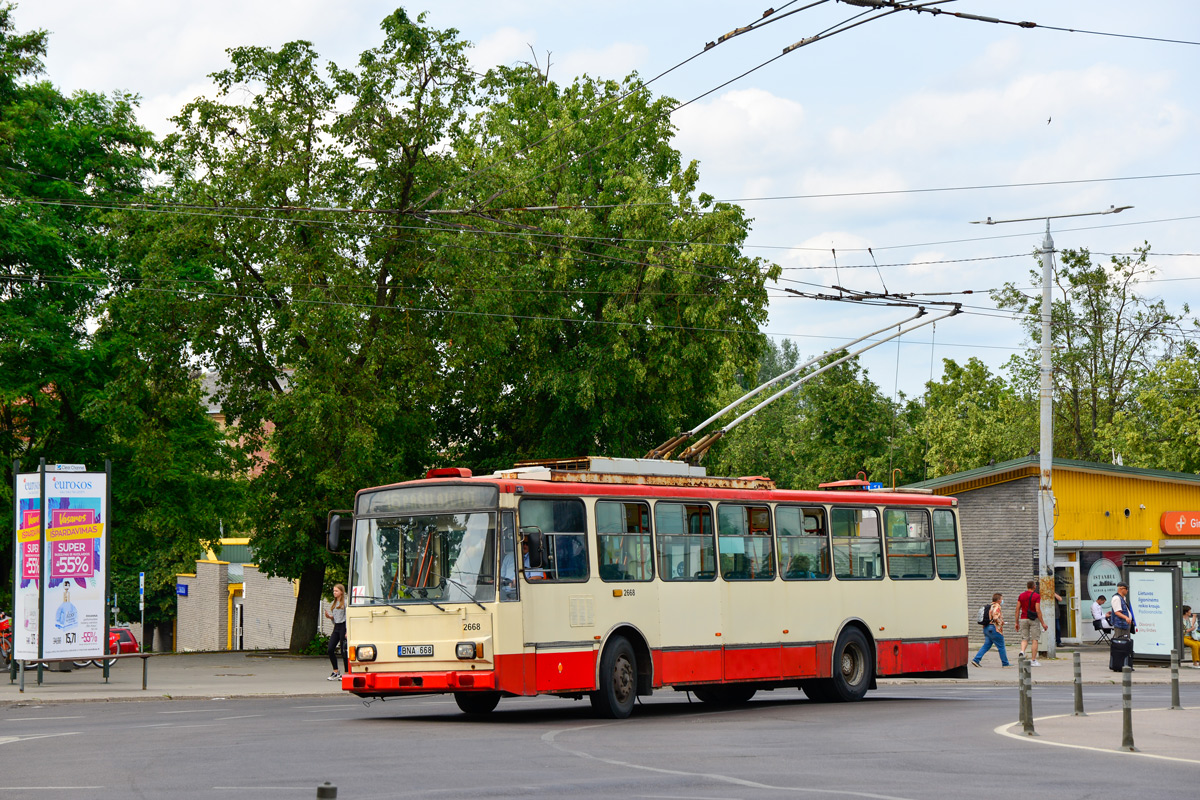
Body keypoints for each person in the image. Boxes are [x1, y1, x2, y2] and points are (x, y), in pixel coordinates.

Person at [971, 593, 1010, 668]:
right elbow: (995, 617)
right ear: (998, 600)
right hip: (994, 629)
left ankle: (976, 660)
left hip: (987, 628)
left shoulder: (989, 607)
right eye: (1001, 599)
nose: (1002, 600)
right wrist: (1001, 622)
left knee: (986, 645)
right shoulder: (997, 606)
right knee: (1001, 646)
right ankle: (1005, 663)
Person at [1015, 580, 1047, 666]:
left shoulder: (1021, 596)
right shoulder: (1036, 596)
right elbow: (1038, 610)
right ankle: (1033, 660)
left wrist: (1016, 622)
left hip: (1023, 619)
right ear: (1034, 587)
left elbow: (1017, 610)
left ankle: (1022, 652)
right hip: (1033, 619)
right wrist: (1043, 623)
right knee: (1034, 640)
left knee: (1024, 638)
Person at [324, 584, 348, 681]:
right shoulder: (334, 603)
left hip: (343, 627)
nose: (334, 593)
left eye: (336, 591)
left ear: (341, 592)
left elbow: (347, 617)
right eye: (334, 591)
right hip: (336, 627)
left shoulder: (345, 603)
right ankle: (336, 671)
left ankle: (346, 672)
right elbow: (336, 618)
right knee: (330, 649)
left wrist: (347, 631)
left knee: (343, 650)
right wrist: (330, 617)